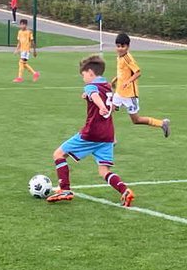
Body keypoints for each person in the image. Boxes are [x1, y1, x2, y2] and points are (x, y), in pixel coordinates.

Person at [46, 54, 134, 207]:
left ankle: (65, 189)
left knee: (58, 154)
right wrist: (92, 99)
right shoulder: (106, 85)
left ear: (91, 73)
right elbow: (109, 102)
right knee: (103, 170)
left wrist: (100, 105)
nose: (83, 78)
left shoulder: (90, 86)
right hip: (107, 135)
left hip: (91, 134)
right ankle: (125, 190)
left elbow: (94, 95)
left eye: (84, 75)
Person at [112, 32, 169, 135]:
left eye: (123, 46)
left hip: (130, 95)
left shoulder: (127, 58)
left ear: (128, 46)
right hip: (119, 93)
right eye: (118, 46)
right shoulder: (119, 57)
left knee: (136, 120)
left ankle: (162, 123)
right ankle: (110, 138)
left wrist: (128, 82)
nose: (120, 48)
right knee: (108, 112)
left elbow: (138, 72)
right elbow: (123, 72)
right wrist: (115, 80)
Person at [13, 17, 40, 83]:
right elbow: (19, 42)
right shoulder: (19, 32)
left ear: (26, 25)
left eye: (23, 24)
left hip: (26, 50)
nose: (22, 26)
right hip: (22, 50)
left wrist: (34, 51)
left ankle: (20, 78)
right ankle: (35, 74)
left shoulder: (29, 32)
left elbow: (32, 41)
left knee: (21, 63)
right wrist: (17, 49)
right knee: (24, 64)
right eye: (21, 24)